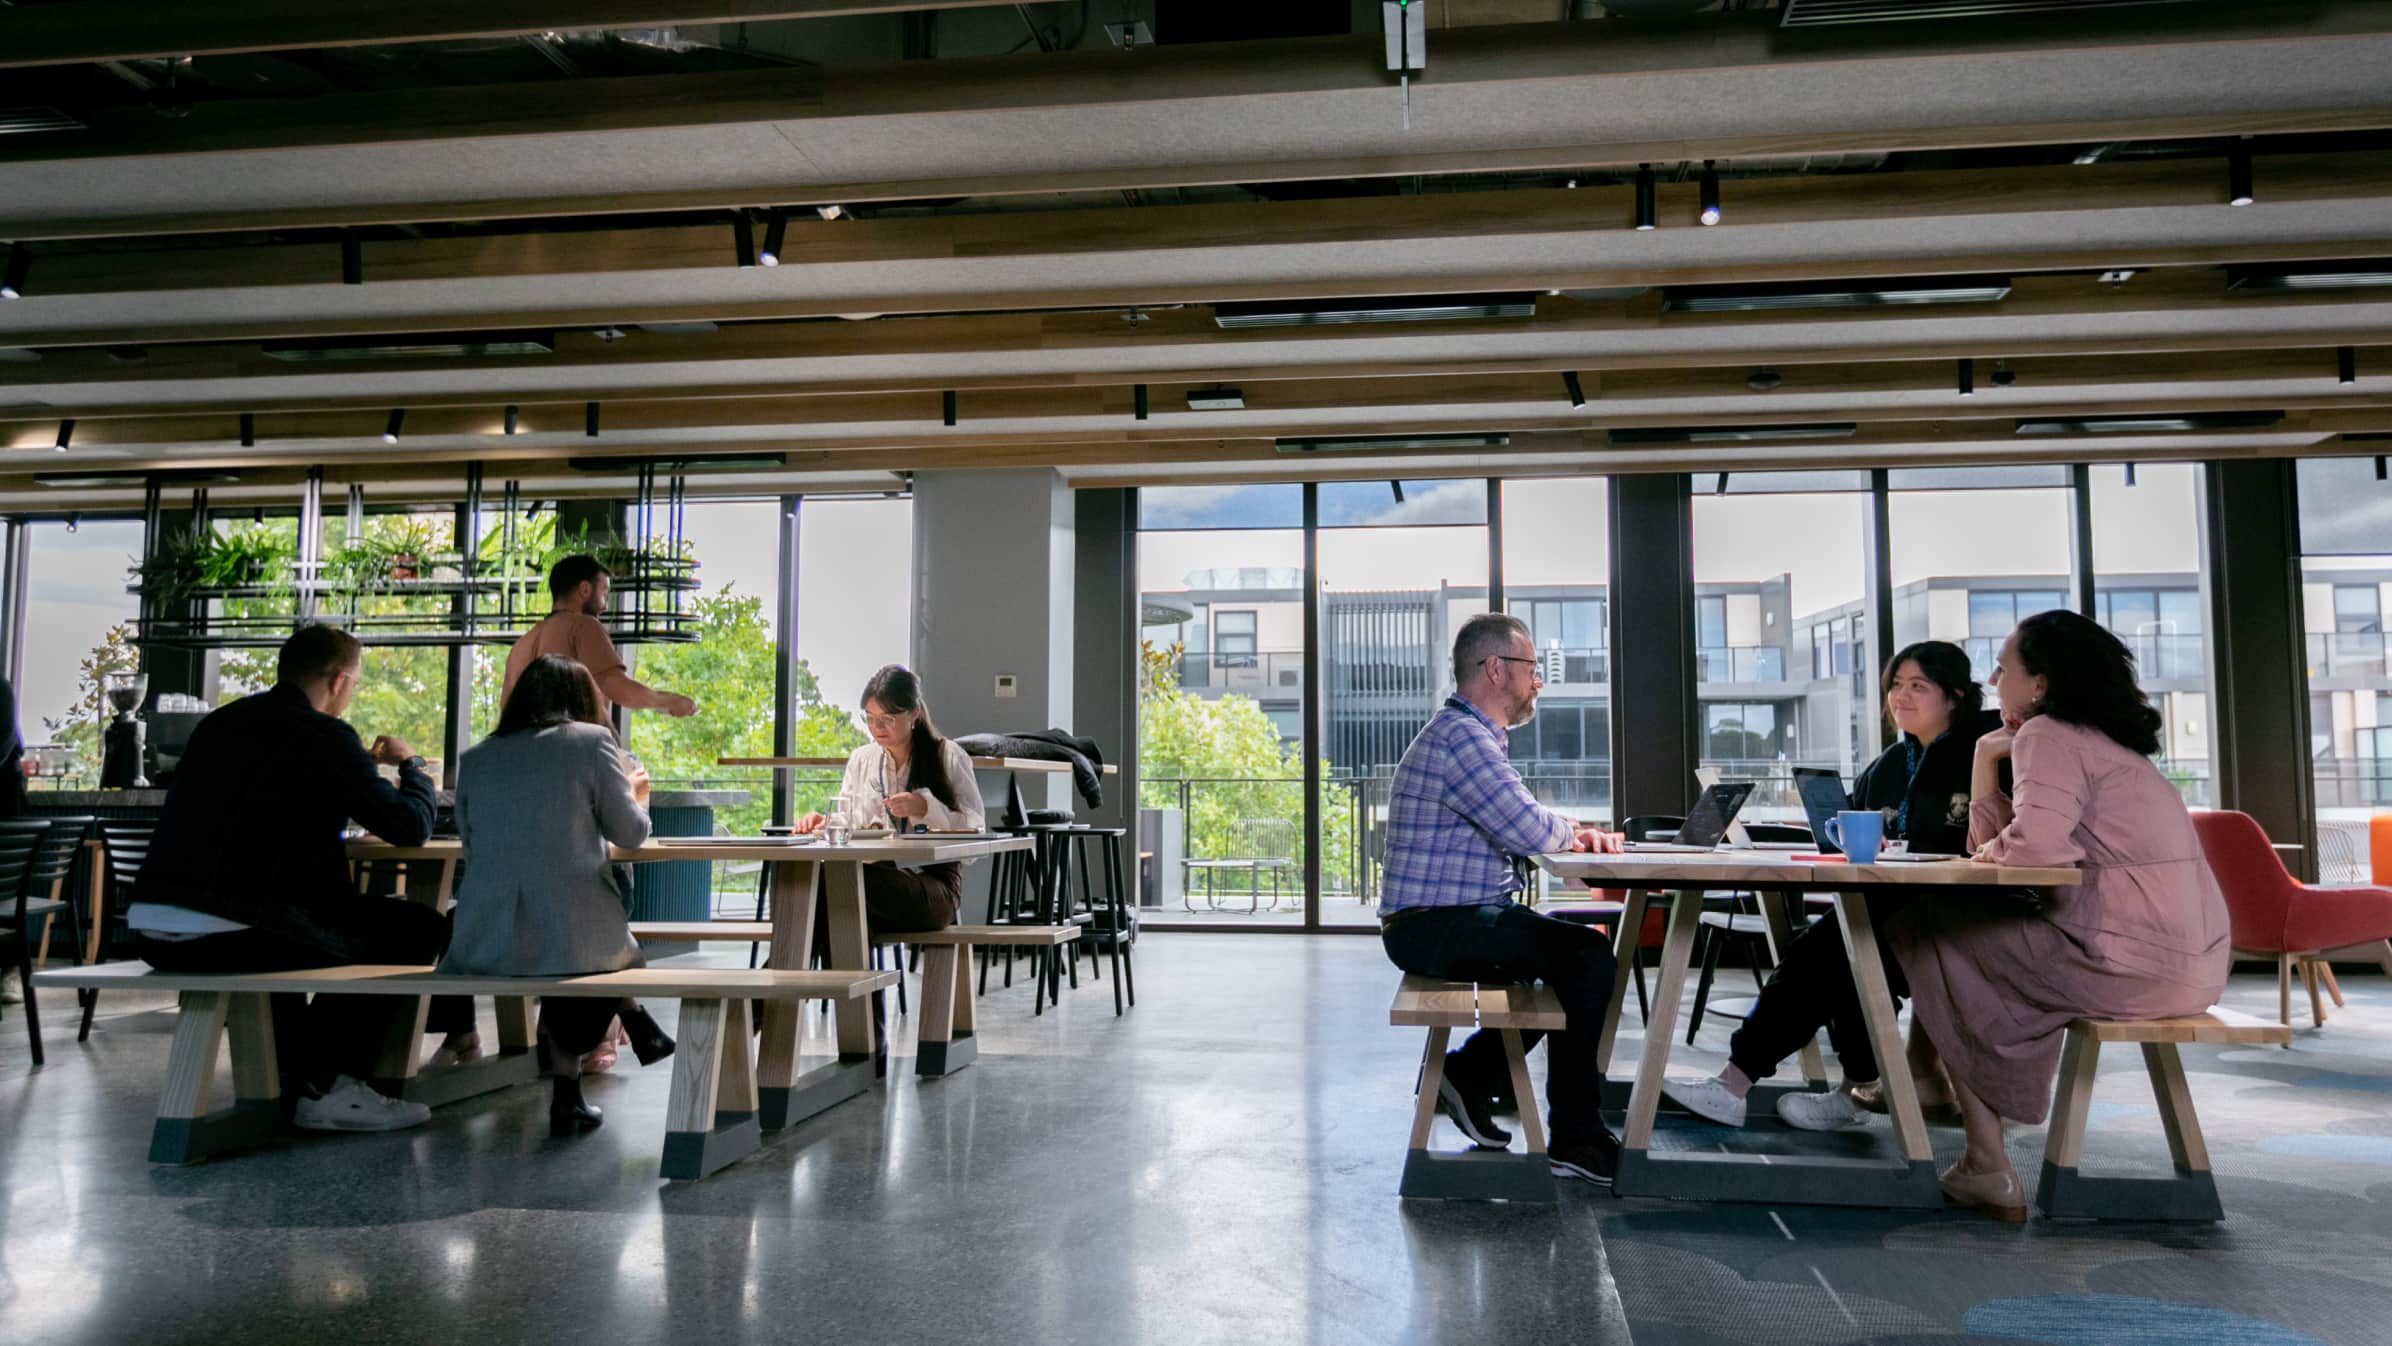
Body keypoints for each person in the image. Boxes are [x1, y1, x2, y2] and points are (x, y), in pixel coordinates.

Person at [1891, 609, 2230, 1220]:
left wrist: (1998, 830)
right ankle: (1948, 1100)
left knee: (1925, 927)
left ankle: (1985, 1161)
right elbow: (2008, 845)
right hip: (2193, 963)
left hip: (2125, 959)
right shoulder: (2105, 744)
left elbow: (2032, 851)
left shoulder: (2050, 737)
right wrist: (1983, 760)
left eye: (2004, 667)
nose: (1994, 680)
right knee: (1947, 932)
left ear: (2041, 683)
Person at [127, 624, 447, 1133]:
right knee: (417, 928)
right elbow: (410, 826)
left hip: (151, 928)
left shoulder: (220, 724)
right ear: (340, 680)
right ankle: (328, 1087)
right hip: (234, 930)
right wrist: (413, 765)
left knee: (317, 924)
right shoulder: (324, 734)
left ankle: (299, 1075)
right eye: (355, 685)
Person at [1663, 641, 1993, 1132]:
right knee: (1841, 945)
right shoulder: (1886, 768)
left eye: (1918, 686)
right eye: (1895, 686)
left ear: (1956, 696)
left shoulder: (1983, 755)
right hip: (1892, 908)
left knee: (1829, 951)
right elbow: (1851, 837)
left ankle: (1741, 1085)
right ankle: (1853, 1089)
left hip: (1963, 915)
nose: (1900, 697)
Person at [1376, 612, 1626, 1185]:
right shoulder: (1463, 738)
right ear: (1496, 668)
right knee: (1586, 959)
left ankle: (1468, 1074)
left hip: (1444, 919)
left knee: (1570, 955)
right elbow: (1528, 827)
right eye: (1531, 667)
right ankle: (1574, 1139)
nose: (1538, 680)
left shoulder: (1469, 735)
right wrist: (1575, 832)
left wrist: (1570, 828)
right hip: (1432, 926)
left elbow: (1522, 814)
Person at [441, 655, 671, 1137]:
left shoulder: (477, 757)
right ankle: (604, 1046)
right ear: (584, 700)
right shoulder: (590, 743)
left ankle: (617, 1034)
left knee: (568, 919)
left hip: (484, 938)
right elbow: (630, 834)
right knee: (586, 923)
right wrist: (635, 795)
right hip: (572, 939)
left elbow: (472, 842)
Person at [794, 665, 983, 935]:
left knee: (834, 887)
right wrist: (826, 822)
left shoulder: (948, 756)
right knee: (822, 891)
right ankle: (827, 974)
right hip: (876, 877)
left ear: (914, 713)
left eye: (887, 719)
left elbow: (976, 830)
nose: (877, 728)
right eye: (870, 718)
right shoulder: (862, 759)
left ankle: (787, 973)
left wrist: (925, 807)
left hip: (932, 885)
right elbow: (854, 820)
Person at [501, 554, 699, 722]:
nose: (604, 607)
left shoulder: (522, 644)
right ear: (585, 589)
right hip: (573, 756)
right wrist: (668, 701)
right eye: (604, 593)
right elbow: (615, 685)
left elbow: (506, 714)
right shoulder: (584, 626)